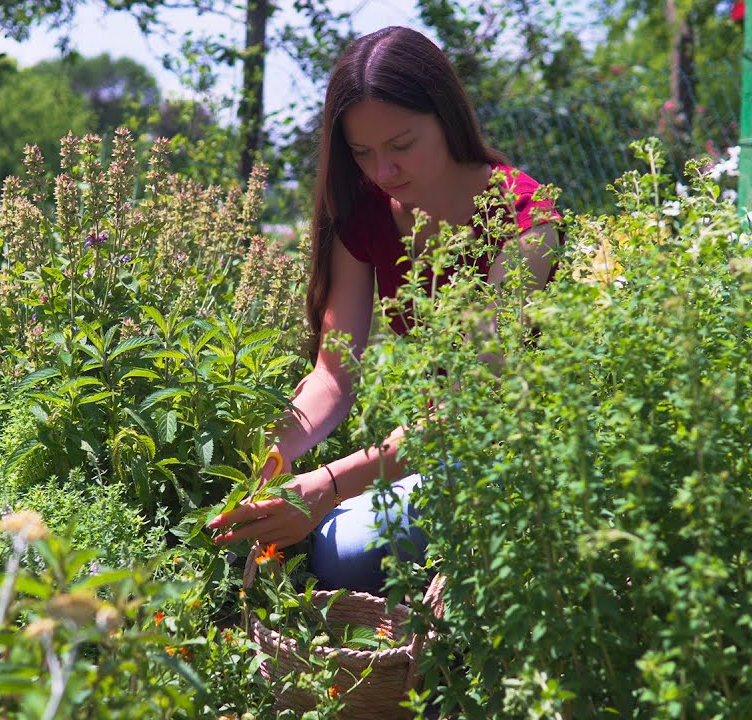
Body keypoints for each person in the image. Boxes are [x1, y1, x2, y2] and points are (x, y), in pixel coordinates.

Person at [209, 26, 562, 594]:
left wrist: (328, 482)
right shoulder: (366, 211)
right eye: (362, 153)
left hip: (524, 450)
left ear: (447, 120)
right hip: (432, 447)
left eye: (401, 146)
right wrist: (270, 461)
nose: (384, 171)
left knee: (339, 552)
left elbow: (477, 398)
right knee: (286, 536)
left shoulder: (526, 219)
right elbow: (333, 373)